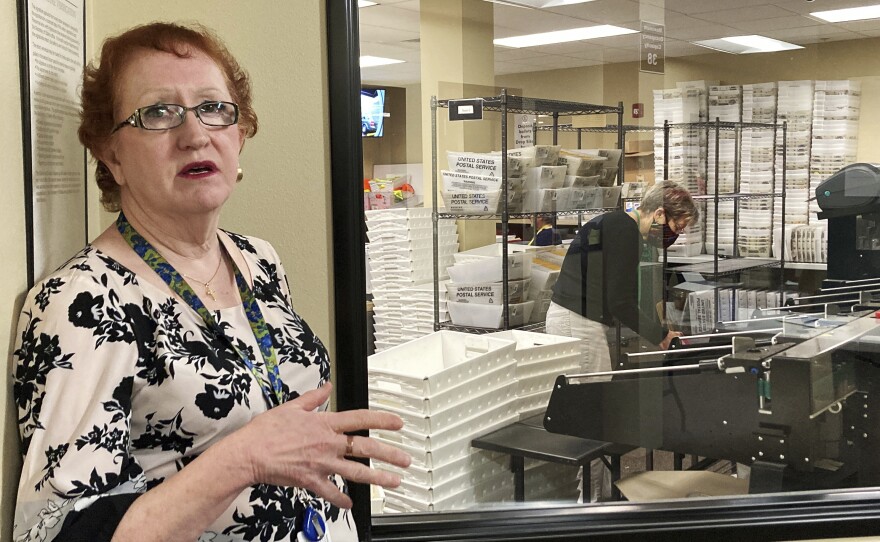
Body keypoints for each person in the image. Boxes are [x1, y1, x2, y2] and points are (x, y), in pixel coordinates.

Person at [12, 22, 410, 542]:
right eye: (158, 112)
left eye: (213, 108)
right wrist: (243, 458)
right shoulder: (81, 301)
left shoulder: (256, 259)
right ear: (111, 156)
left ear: (239, 136)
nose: (195, 134)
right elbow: (56, 530)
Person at [545, 179, 698, 502]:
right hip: (578, 325)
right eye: (677, 226)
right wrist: (660, 336)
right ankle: (589, 504)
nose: (676, 235)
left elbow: (622, 295)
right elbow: (621, 302)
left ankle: (595, 495)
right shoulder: (625, 233)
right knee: (594, 416)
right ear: (659, 213)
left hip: (574, 319)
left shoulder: (616, 224)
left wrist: (660, 328)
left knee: (592, 410)